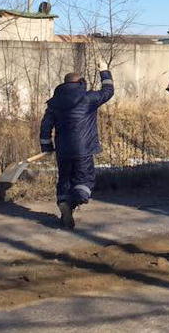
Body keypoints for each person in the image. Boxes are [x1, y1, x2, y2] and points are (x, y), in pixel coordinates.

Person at [39, 65, 115, 229]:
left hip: (63, 149)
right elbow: (108, 91)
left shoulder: (54, 102)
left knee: (65, 180)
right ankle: (72, 202)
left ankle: (64, 204)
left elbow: (46, 125)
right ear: (81, 82)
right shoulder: (88, 98)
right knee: (84, 181)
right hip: (84, 148)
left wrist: (46, 146)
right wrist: (104, 70)